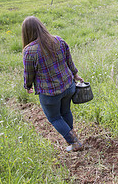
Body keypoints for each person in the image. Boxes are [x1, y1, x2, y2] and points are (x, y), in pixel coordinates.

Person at [22, 16, 84, 152]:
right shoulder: (58, 40)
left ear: (26, 32)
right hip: (68, 86)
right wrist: (75, 74)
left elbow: (29, 73)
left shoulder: (29, 51)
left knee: (55, 117)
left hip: (49, 93)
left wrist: (27, 86)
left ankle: (74, 142)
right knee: (66, 111)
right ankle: (72, 135)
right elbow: (70, 61)